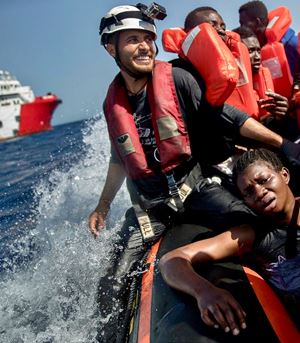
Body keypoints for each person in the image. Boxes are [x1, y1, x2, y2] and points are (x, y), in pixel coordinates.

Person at [89, 3, 300, 342]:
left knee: (259, 223)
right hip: (151, 208)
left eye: (148, 39)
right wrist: (102, 206)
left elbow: (229, 118)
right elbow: (119, 158)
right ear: (110, 47)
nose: (144, 47)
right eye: (132, 40)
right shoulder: (112, 103)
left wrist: (285, 144)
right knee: (111, 282)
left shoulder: (177, 79)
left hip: (195, 190)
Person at [159, 148, 300, 336]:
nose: (259, 192)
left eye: (263, 180)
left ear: (284, 175)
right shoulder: (252, 236)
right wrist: (205, 291)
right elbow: (172, 259)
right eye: (249, 192)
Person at [239, 1, 300, 93]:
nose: (242, 27)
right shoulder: (256, 46)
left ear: (257, 22)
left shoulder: (293, 44)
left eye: (243, 23)